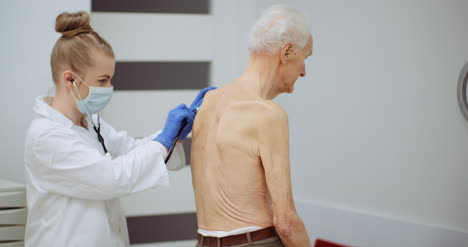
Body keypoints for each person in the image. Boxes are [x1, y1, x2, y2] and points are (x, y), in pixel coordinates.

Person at [23, 11, 214, 247]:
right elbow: (112, 177)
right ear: (69, 79)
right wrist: (164, 139)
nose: (109, 87)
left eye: (110, 79)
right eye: (102, 80)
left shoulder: (90, 122)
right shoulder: (46, 136)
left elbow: (130, 149)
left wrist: (174, 136)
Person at [190, 5, 313, 247]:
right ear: (286, 52)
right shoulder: (268, 114)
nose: (304, 72)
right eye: (305, 58)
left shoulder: (207, 103)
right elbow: (286, 222)